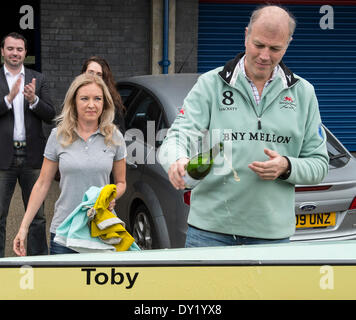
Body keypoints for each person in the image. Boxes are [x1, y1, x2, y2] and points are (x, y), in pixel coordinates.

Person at [158, 5, 329, 247]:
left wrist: (287, 166)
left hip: (271, 236)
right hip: (209, 232)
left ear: (288, 43)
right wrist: (176, 160)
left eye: (275, 48)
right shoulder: (210, 85)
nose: (265, 56)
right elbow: (177, 136)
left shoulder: (303, 93)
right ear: (246, 35)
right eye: (258, 45)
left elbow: (319, 164)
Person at [13, 73, 127, 256]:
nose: (91, 104)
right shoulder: (58, 136)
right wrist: (23, 227)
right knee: (63, 285)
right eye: (84, 98)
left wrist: (112, 194)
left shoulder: (114, 137)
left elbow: (121, 182)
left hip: (101, 231)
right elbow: (42, 183)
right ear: (73, 102)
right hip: (64, 232)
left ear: (104, 103)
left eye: (97, 98)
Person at [0, 32, 55, 257]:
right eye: (11, 48)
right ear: (2, 51)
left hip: (32, 155)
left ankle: (38, 260)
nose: (15, 53)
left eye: (19, 49)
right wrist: (8, 100)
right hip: (3, 156)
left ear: (25, 52)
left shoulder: (38, 79)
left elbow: (51, 114)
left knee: (37, 215)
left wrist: (34, 100)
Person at [81, 56, 125, 133]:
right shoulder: (74, 96)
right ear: (83, 73)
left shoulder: (112, 101)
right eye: (90, 72)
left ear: (104, 78)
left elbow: (119, 133)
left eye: (99, 74)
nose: (94, 77)